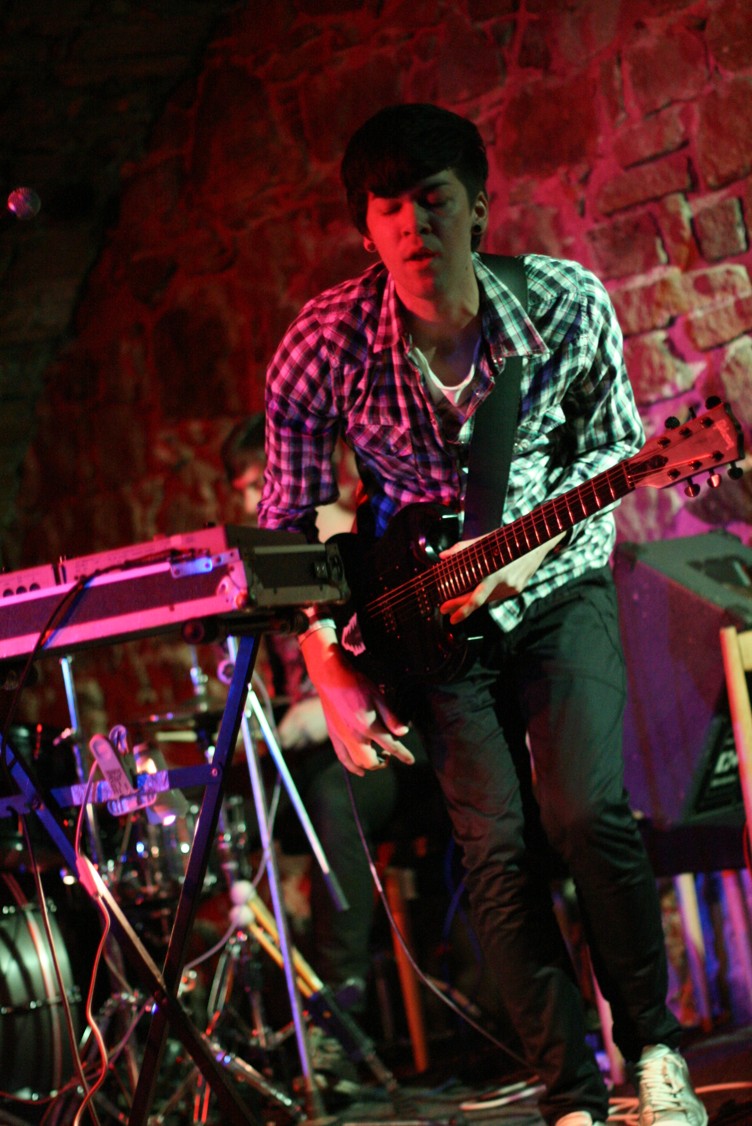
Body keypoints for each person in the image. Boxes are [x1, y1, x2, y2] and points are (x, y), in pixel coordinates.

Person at [257, 103, 709, 1126]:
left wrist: (522, 554)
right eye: (388, 209)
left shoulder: (563, 302)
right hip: (425, 630)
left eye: (432, 200)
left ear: (476, 209)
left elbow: (615, 447)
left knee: (584, 813)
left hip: (554, 586)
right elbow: (289, 520)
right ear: (366, 231)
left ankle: (654, 1054)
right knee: (495, 851)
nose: (412, 225)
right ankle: (571, 1100)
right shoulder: (323, 346)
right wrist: (329, 669)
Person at [220, 414, 400, 1016]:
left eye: (258, 484)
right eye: (243, 489)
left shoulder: (363, 538)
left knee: (332, 794)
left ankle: (340, 998)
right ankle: (256, 1008)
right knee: (217, 809)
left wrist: (318, 713)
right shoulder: (272, 563)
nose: (249, 501)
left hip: (388, 739)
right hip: (313, 751)